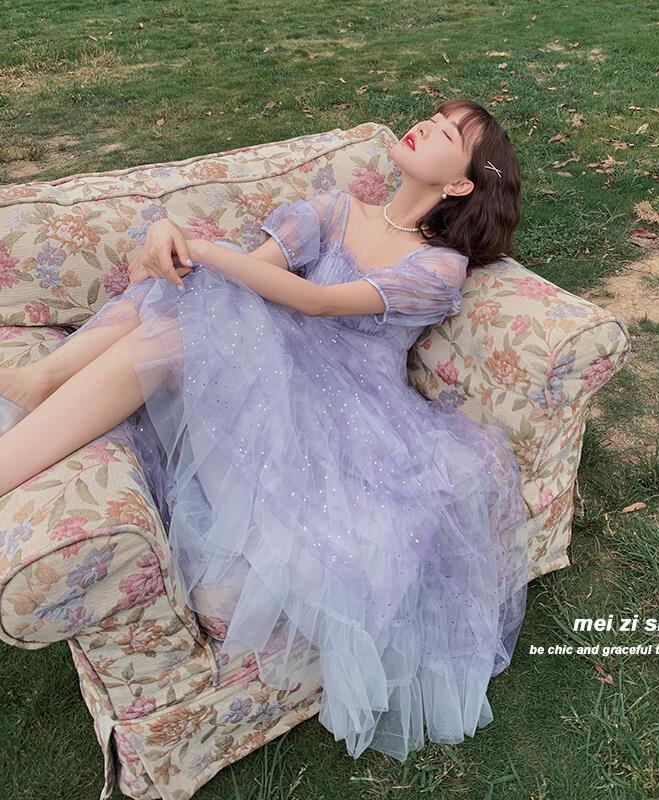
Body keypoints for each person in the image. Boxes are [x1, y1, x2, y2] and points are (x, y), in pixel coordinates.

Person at [0, 98, 530, 761]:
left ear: (459, 184)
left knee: (186, 311)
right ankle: (42, 381)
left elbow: (319, 302)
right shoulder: (337, 209)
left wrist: (199, 247)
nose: (424, 124)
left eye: (447, 131)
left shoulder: (438, 266)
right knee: (190, 296)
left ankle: (39, 389)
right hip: (281, 364)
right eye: (433, 114)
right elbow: (247, 274)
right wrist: (173, 242)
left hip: (348, 415)